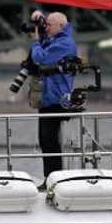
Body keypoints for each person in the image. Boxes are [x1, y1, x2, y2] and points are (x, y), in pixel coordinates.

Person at [29, 11, 78, 179]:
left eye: (50, 25)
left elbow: (40, 58)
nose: (46, 28)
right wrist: (39, 17)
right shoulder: (55, 40)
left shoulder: (64, 43)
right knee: (45, 140)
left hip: (57, 99)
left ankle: (54, 178)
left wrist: (35, 41)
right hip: (48, 98)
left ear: (61, 26)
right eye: (46, 24)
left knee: (49, 140)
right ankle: (50, 178)